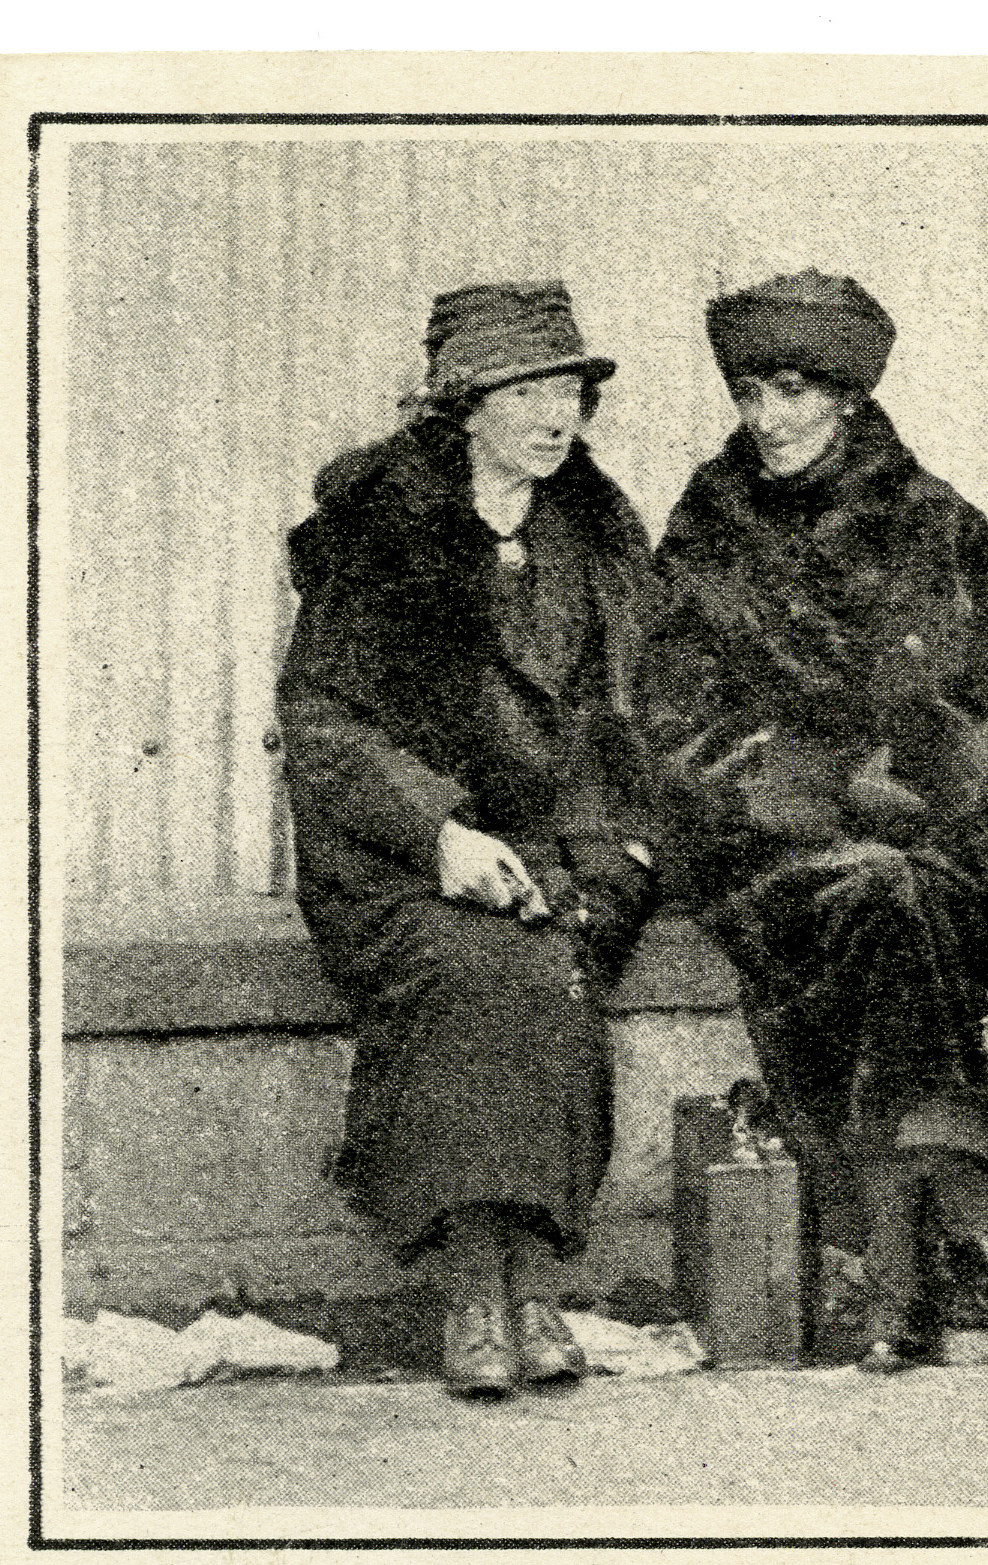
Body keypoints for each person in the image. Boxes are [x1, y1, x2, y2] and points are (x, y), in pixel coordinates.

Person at [643, 270, 988, 1373]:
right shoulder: (707, 531)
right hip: (763, 848)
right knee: (885, 900)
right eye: (747, 394)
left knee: (902, 898)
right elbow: (671, 727)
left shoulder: (938, 523)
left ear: (849, 397)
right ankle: (950, 1205)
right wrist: (823, 785)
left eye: (789, 392)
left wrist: (925, 778)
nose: (764, 420)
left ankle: (896, 1287)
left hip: (919, 842)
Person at [279, 281, 661, 1398]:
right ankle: (473, 1291)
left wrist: (616, 851)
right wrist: (438, 829)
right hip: (396, 858)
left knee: (549, 958)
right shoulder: (380, 526)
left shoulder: (592, 533)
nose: (556, 417)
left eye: (570, 393)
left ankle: (529, 1286)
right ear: (463, 407)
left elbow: (625, 715)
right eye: (527, 392)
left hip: (557, 846)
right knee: (472, 967)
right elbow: (322, 720)